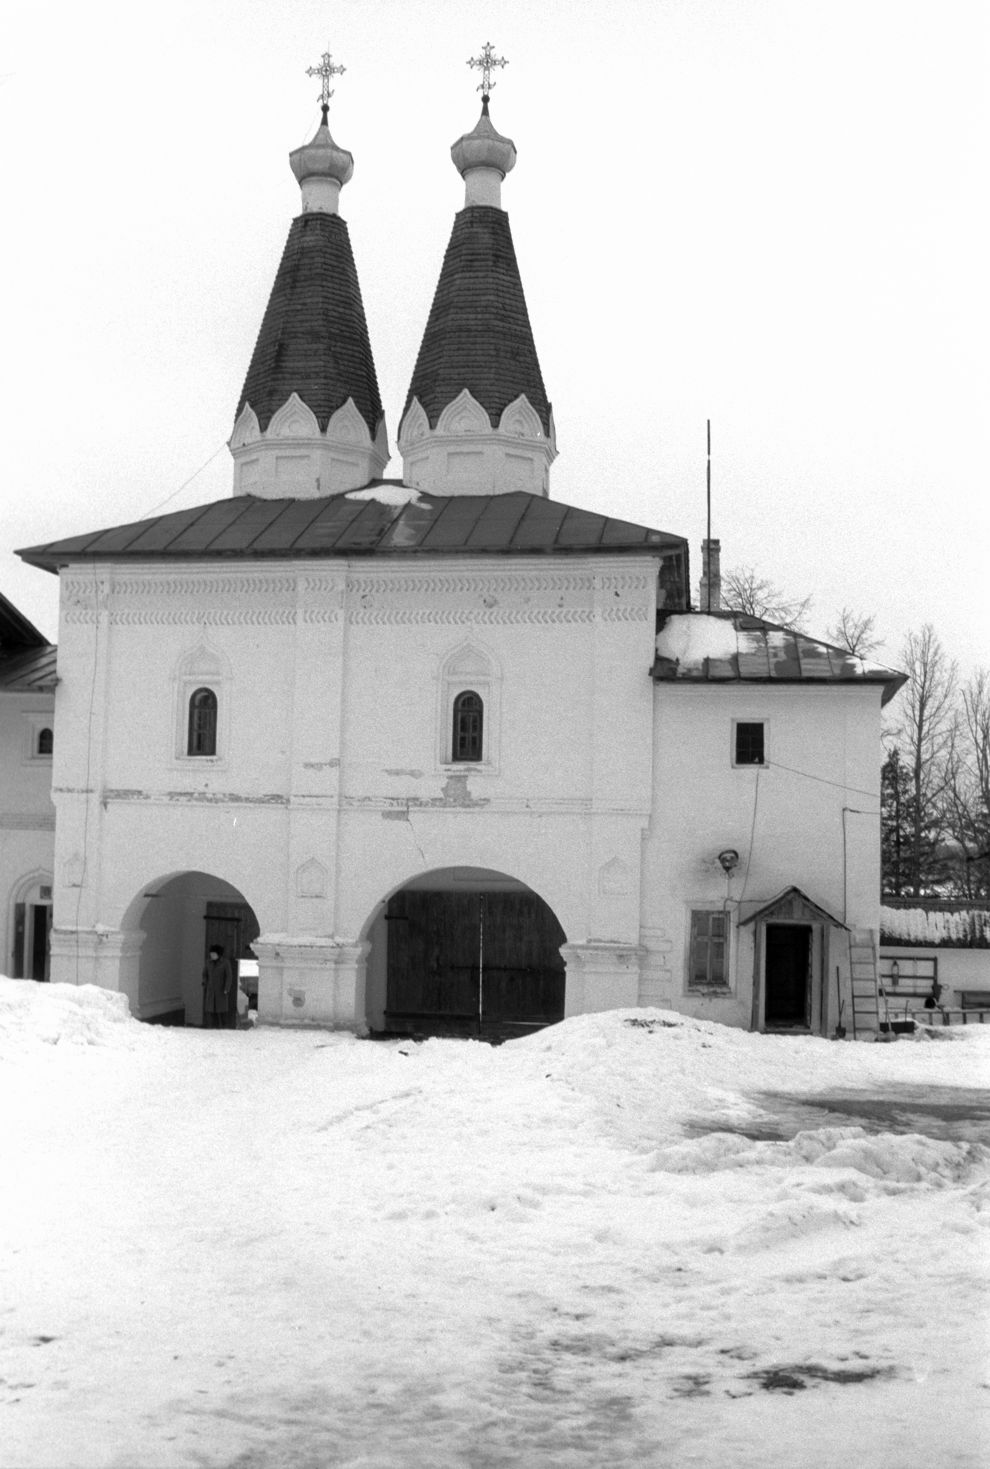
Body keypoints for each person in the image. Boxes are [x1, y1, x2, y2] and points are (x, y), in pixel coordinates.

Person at [201, 944, 234, 1029]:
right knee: (210, 1010)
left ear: (218, 954)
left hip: (221, 990)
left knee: (221, 1010)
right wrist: (205, 982)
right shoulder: (208, 962)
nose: (211, 955)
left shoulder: (225, 963)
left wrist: (227, 988)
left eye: (214, 954)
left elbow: (229, 976)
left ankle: (223, 1027)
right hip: (211, 990)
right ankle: (210, 1027)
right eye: (211, 954)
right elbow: (205, 974)